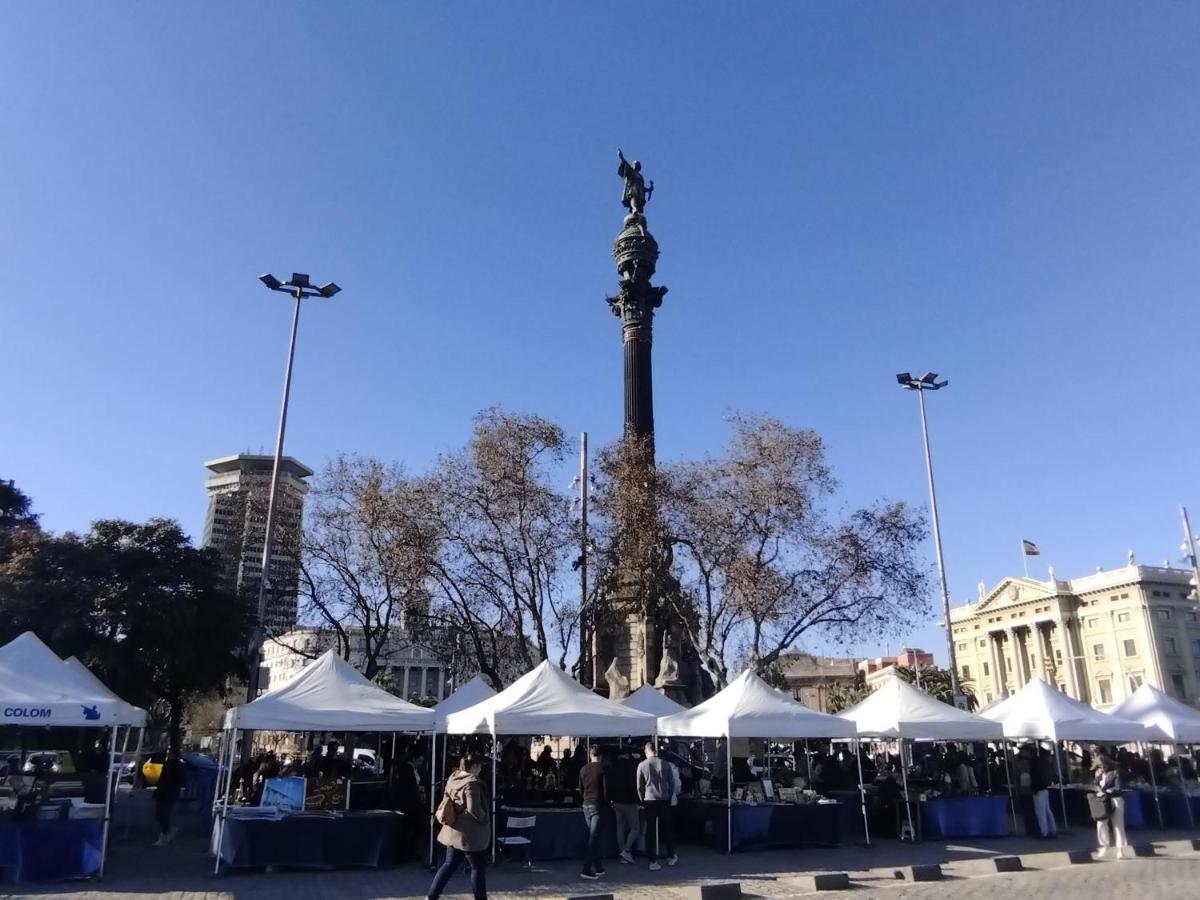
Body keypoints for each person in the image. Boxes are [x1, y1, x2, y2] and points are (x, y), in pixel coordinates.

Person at [426, 753, 491, 900]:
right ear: (474, 766)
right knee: (477, 869)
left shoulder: (453, 777)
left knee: (448, 865)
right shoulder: (471, 783)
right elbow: (473, 809)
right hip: (470, 835)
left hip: (453, 830)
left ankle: (431, 896)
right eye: (480, 766)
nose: (480, 769)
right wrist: (485, 818)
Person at [636, 742, 678, 871]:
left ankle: (652, 860)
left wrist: (642, 799)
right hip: (664, 799)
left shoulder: (642, 765)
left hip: (649, 800)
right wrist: (669, 796)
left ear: (646, 751)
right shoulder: (665, 764)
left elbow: (639, 786)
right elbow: (672, 783)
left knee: (650, 831)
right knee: (666, 829)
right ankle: (671, 854)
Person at [578, 745, 609, 880]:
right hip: (597, 804)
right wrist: (607, 803)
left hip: (586, 804)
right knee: (593, 838)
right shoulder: (603, 769)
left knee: (593, 837)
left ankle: (599, 867)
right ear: (601, 756)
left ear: (590, 755)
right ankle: (586, 868)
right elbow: (606, 790)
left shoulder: (583, 769)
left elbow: (580, 788)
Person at [609, 751, 642, 863]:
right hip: (629, 801)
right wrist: (638, 800)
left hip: (616, 802)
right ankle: (626, 851)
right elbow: (633, 785)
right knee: (635, 828)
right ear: (627, 755)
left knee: (620, 828)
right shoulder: (631, 767)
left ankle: (622, 852)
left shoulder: (613, 767)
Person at [1094, 755, 1128, 859]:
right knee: (1101, 823)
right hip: (1104, 800)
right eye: (1100, 766)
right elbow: (1095, 785)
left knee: (1118, 825)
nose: (1102, 768)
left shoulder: (1115, 773)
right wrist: (1098, 786)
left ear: (1108, 764)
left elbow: (1118, 787)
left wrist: (1105, 791)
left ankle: (1120, 850)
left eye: (1103, 766)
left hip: (1115, 799)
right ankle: (1104, 845)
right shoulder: (1099, 774)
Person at [153, 750, 185, 847]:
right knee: (162, 813)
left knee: (162, 813)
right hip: (170, 792)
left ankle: (165, 834)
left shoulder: (171, 765)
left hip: (167, 792)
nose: (167, 754)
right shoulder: (177, 765)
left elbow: (164, 779)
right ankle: (167, 832)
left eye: (169, 752)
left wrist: (160, 790)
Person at [1031, 746, 1057, 838]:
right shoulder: (1045, 763)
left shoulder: (1034, 763)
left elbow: (1035, 778)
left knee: (1040, 812)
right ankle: (1052, 830)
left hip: (1038, 789)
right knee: (1048, 811)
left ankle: (1044, 832)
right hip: (1045, 788)